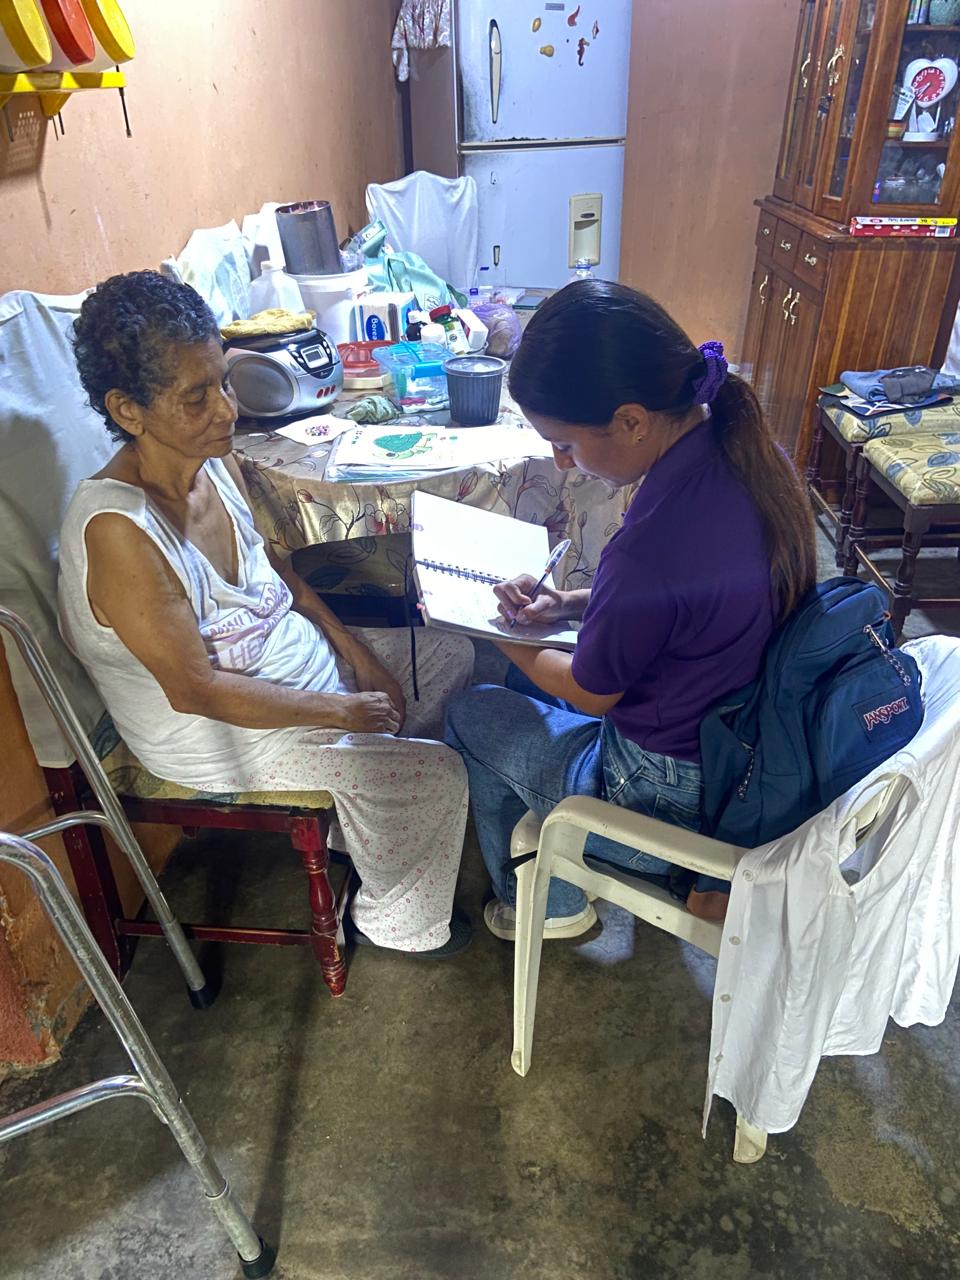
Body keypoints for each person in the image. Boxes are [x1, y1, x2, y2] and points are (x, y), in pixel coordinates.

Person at [59, 271, 474, 957]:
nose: (227, 410)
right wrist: (345, 711)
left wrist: (356, 655)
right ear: (128, 410)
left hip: (297, 676)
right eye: (197, 396)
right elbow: (197, 691)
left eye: (223, 383)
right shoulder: (120, 532)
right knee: (438, 777)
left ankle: (358, 821)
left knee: (450, 657)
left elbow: (276, 574)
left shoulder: (209, 462)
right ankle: (393, 921)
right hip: (228, 735)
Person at [444, 280, 817, 937]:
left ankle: (547, 907)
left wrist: (491, 628)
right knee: (518, 681)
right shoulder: (748, 458)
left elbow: (592, 695)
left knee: (473, 707)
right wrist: (567, 605)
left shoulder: (653, 541)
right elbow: (686, 605)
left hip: (663, 794)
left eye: (565, 443)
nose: (561, 462)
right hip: (742, 742)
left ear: (632, 420)